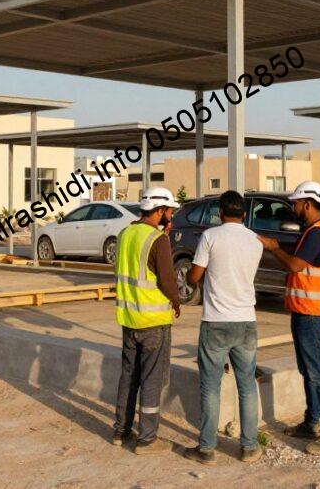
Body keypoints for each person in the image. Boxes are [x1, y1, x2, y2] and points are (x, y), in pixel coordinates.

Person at [256, 181, 320, 455]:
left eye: (295, 203)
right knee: (308, 371)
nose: (293, 207)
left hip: (313, 314)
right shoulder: (313, 231)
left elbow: (294, 265)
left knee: (318, 373)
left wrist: (273, 247)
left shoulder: (317, 233)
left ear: (307, 203)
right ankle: (311, 422)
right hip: (305, 311)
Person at [182, 190, 263, 465]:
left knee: (210, 387)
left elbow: (194, 277)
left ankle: (206, 449)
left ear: (220, 212)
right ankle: (249, 446)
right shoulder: (255, 241)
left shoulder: (210, 237)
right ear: (243, 213)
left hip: (215, 321)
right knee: (247, 386)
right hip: (246, 321)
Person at [111, 186, 182, 454]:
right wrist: (176, 300)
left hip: (129, 319)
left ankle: (121, 430)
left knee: (129, 375)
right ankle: (147, 439)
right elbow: (166, 279)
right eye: (170, 210)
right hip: (153, 321)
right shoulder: (158, 240)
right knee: (152, 379)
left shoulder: (125, 232)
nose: (172, 214)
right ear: (160, 211)